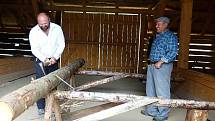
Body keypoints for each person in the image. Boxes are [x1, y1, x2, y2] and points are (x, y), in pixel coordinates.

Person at [141, 16, 178, 121]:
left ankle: (162, 114)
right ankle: (151, 111)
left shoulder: (170, 36)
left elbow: (172, 52)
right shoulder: (158, 36)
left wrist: (160, 62)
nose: (156, 26)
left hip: (162, 66)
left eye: (159, 24)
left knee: (162, 90)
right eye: (156, 24)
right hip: (153, 65)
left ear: (165, 24)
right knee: (150, 89)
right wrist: (152, 63)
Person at [29, 12, 65, 115]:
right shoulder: (33, 32)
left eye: (45, 23)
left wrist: (55, 57)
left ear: (49, 20)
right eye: (41, 24)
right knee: (40, 83)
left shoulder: (57, 29)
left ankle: (53, 104)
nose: (43, 26)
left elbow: (61, 44)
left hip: (54, 59)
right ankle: (41, 107)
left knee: (54, 82)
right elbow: (34, 49)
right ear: (38, 22)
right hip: (41, 61)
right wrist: (44, 59)